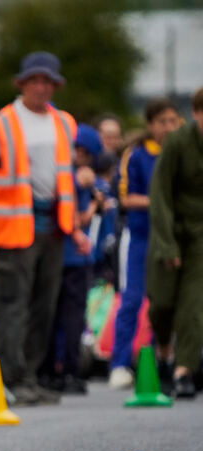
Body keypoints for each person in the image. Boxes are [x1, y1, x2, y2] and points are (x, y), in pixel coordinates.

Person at [0, 51, 89, 405]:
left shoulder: (64, 122)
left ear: (54, 85)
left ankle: (28, 377)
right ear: (23, 83)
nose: (41, 86)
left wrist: (76, 228)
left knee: (43, 306)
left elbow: (66, 178)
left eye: (47, 81)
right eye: (35, 80)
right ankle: (7, 379)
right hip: (12, 228)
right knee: (11, 305)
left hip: (53, 227)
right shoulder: (2, 122)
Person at [108, 98, 181, 390]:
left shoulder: (182, 153)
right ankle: (120, 363)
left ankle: (159, 360)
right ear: (150, 125)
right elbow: (125, 198)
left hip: (173, 238)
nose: (168, 127)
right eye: (161, 122)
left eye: (172, 121)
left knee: (167, 302)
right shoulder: (136, 155)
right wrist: (160, 203)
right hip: (140, 237)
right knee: (133, 299)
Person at [145, 86, 203, 400]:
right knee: (162, 303)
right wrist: (167, 244)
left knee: (193, 306)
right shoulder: (178, 143)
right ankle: (164, 350)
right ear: (195, 114)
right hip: (170, 231)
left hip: (200, 237)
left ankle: (184, 371)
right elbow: (160, 195)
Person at [42, 124, 107, 394]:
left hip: (57, 255)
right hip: (75, 257)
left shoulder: (56, 173)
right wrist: (94, 204)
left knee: (53, 315)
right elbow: (77, 219)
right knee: (71, 318)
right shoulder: (80, 179)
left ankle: (48, 371)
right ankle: (69, 370)